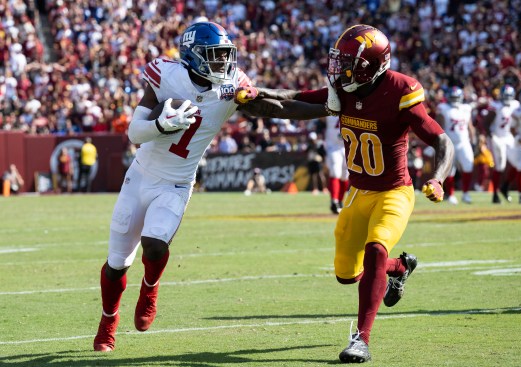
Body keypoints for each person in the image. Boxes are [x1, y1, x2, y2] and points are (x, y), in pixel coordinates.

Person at [93, 21, 319, 352]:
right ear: (193, 56)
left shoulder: (232, 86)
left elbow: (280, 105)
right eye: (215, 57)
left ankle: (150, 287)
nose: (224, 64)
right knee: (116, 263)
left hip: (177, 183)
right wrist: (160, 124)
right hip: (140, 176)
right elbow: (134, 132)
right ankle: (107, 322)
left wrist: (325, 108)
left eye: (225, 56)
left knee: (155, 243)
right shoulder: (166, 75)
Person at [236, 24, 454, 363]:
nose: (339, 70)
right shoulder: (345, 90)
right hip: (357, 194)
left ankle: (362, 340)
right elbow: (292, 101)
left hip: (394, 192)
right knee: (346, 274)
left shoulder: (400, 90)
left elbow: (442, 140)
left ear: (372, 65)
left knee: (377, 248)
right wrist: (253, 97)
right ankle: (399, 269)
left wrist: (438, 179)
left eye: (348, 63)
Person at [436, 86, 476, 204]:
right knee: (450, 170)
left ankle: (466, 193)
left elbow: (470, 126)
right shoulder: (443, 108)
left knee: (468, 166)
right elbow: (439, 125)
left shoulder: (466, 108)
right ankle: (451, 194)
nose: (454, 100)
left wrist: (474, 140)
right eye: (452, 97)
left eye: (456, 97)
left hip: (464, 142)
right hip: (449, 143)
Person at [484, 85, 520, 203]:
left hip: (508, 136)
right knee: (500, 167)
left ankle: (505, 186)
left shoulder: (516, 105)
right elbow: (486, 123)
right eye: (505, 96)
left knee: (518, 164)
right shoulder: (496, 106)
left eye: (509, 96)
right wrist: (490, 136)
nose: (507, 98)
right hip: (497, 137)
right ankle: (495, 194)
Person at [324, 115, 349, 214]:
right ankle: (334, 201)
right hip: (333, 147)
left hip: (347, 146)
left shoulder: (349, 108)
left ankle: (340, 201)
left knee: (345, 176)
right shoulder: (329, 111)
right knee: (335, 172)